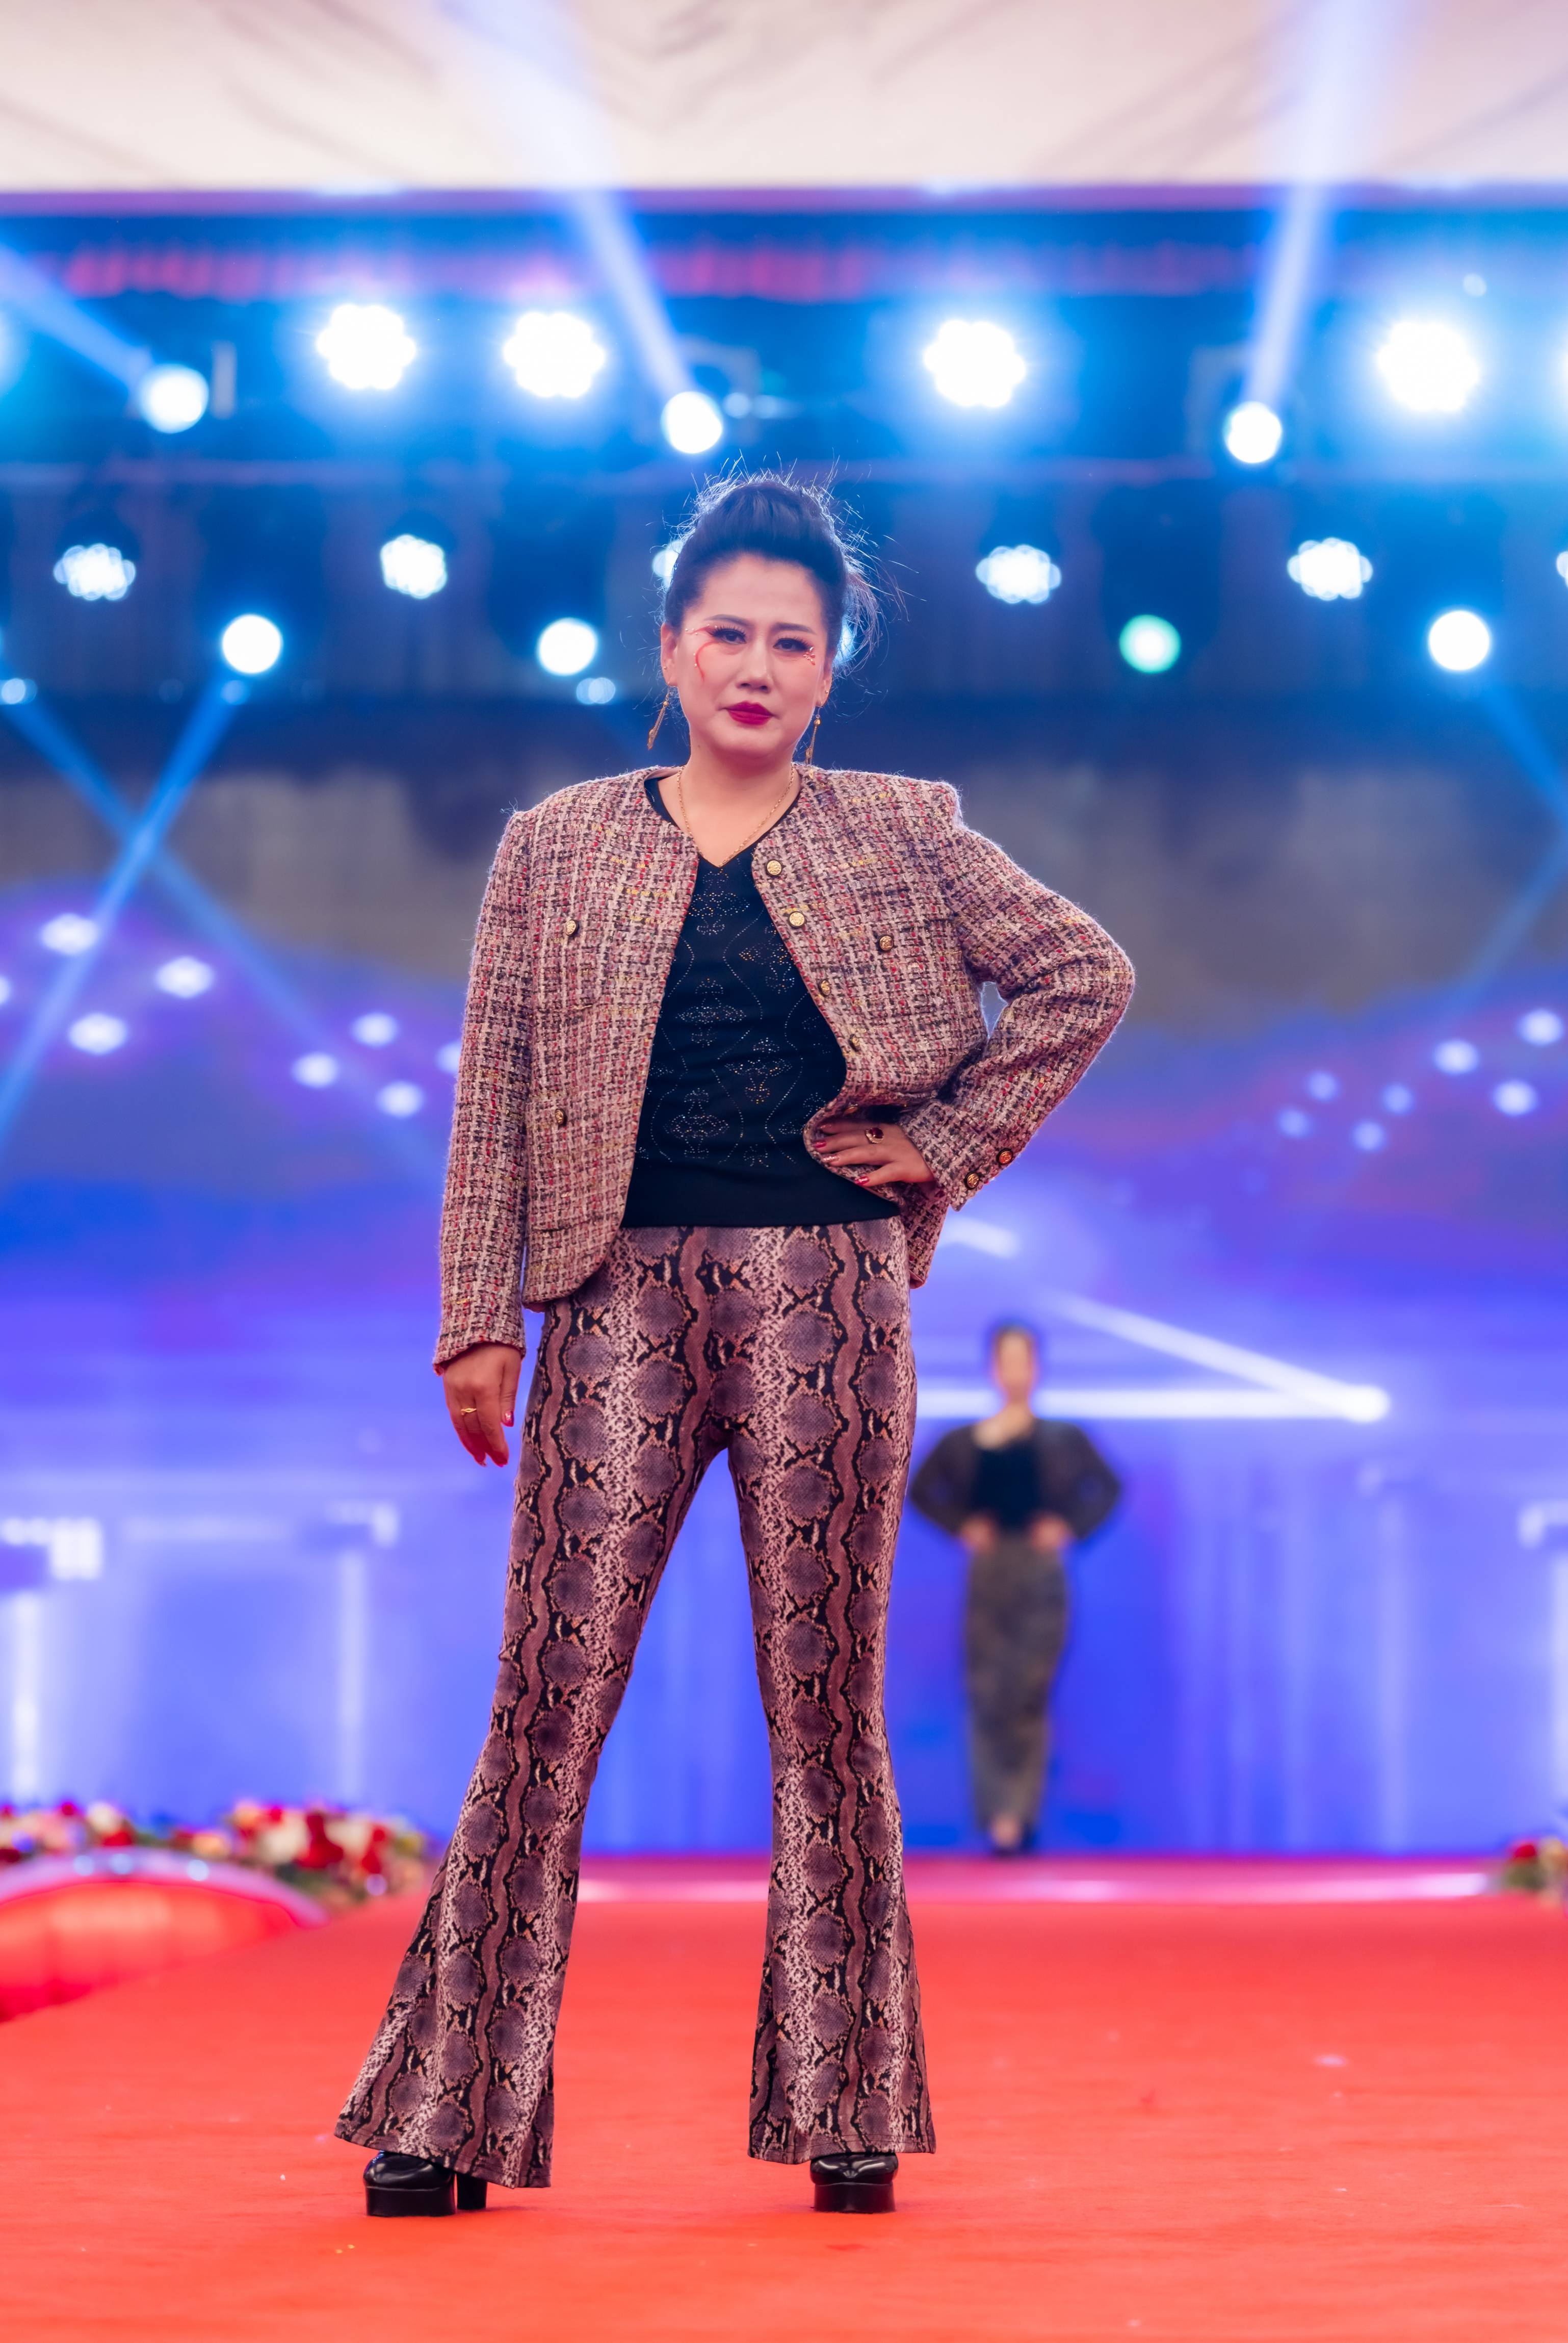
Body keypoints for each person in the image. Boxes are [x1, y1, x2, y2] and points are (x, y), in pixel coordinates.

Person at [334, 473, 1133, 2219]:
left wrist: (946, 1146)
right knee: (544, 1701)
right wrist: (474, 1318)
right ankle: (444, 2115)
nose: (757, 666)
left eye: (792, 640)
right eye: (728, 634)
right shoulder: (555, 843)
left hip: (825, 1294)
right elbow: (497, 1094)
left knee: (822, 1706)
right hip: (606, 1293)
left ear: (829, 669)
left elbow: (1082, 972)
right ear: (670, 648)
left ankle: (848, 2104)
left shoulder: (903, 829)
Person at [909, 1322, 1121, 1854]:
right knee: (987, 1692)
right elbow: (921, 1490)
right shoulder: (966, 1441)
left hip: (1040, 1573)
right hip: (989, 1573)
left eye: (1023, 1360)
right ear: (992, 1369)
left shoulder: (1064, 1439)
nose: (1014, 1371)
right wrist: (962, 1525)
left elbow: (1108, 1488)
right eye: (1005, 1361)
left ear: (1036, 1367)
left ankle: (1019, 1815)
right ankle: (996, 1815)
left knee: (1028, 1692)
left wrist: (1069, 1527)